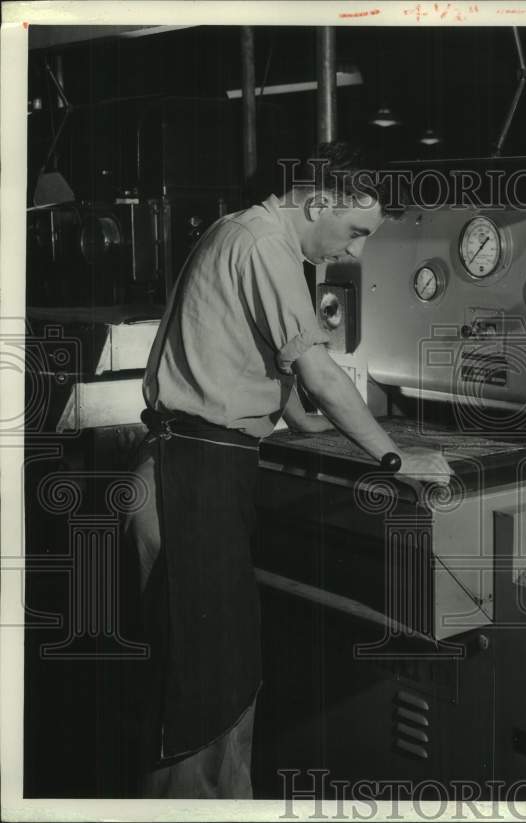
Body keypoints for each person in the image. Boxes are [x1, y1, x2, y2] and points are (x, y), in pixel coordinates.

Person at [125, 142, 453, 799]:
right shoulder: (263, 242)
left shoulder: (248, 237)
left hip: (205, 470)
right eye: (356, 233)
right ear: (319, 198)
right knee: (201, 698)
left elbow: (296, 402)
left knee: (224, 681)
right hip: (191, 475)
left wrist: (326, 428)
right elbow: (319, 372)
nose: (355, 253)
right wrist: (393, 454)